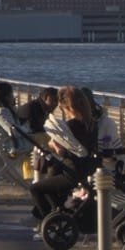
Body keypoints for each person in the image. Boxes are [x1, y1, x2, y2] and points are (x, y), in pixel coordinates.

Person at [28, 86, 100, 222]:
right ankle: (57, 214)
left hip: (72, 172)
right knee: (52, 180)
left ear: (68, 107)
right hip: (85, 169)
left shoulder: (71, 126)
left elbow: (68, 153)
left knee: (36, 189)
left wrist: (56, 146)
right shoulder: (92, 124)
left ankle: (49, 219)